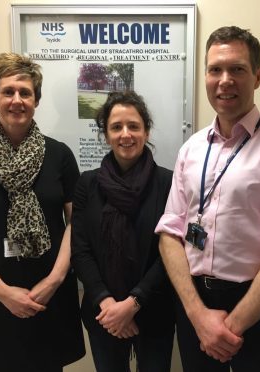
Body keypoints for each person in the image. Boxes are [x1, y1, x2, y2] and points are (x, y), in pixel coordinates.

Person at [155, 26, 260, 371]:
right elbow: (170, 233)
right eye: (215, 70)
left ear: (257, 76)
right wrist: (198, 316)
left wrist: (230, 327)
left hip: (259, 309)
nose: (225, 80)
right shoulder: (191, 148)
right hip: (195, 302)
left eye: (237, 69)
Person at [0, 53, 85, 372]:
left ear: (36, 99)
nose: (17, 100)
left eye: (25, 92)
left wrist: (55, 280)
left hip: (46, 295)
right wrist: (5, 294)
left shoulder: (60, 156)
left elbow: (77, 224)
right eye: (8, 91)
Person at [71, 91, 175, 371]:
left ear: (146, 131)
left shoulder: (169, 183)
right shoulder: (87, 184)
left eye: (134, 126)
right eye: (116, 127)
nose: (125, 134)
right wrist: (107, 303)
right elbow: (80, 250)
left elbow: (172, 252)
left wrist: (133, 303)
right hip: (103, 314)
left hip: (154, 310)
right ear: (105, 135)